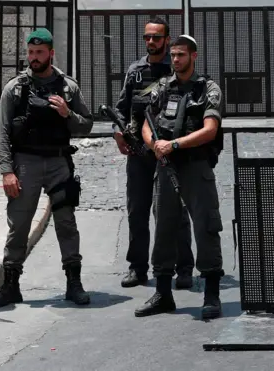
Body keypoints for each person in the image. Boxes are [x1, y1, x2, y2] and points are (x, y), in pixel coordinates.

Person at [0, 28, 94, 308]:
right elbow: (1, 133)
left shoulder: (67, 87)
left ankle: (74, 283)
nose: (34, 58)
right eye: (31, 52)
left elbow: (87, 124)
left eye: (39, 52)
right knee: (19, 224)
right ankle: (11, 285)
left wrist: (66, 113)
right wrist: (7, 171)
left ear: (51, 53)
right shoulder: (16, 88)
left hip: (59, 163)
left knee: (66, 223)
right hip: (26, 163)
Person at [137, 35, 225, 319]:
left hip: (195, 166)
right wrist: (155, 145)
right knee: (163, 228)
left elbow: (210, 129)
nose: (175, 60)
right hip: (165, 166)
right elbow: (146, 124)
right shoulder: (162, 86)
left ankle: (211, 294)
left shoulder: (208, 89)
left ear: (194, 56)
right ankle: (163, 293)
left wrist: (175, 144)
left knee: (205, 227)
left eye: (181, 55)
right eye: (173, 55)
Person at [113, 17, 194, 289]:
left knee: (175, 213)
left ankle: (183, 269)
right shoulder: (135, 71)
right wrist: (117, 132)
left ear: (167, 40)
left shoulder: (177, 70)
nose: (151, 42)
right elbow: (122, 107)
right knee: (137, 211)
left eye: (156, 37)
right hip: (139, 153)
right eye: (147, 37)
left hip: (169, 152)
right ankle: (137, 268)